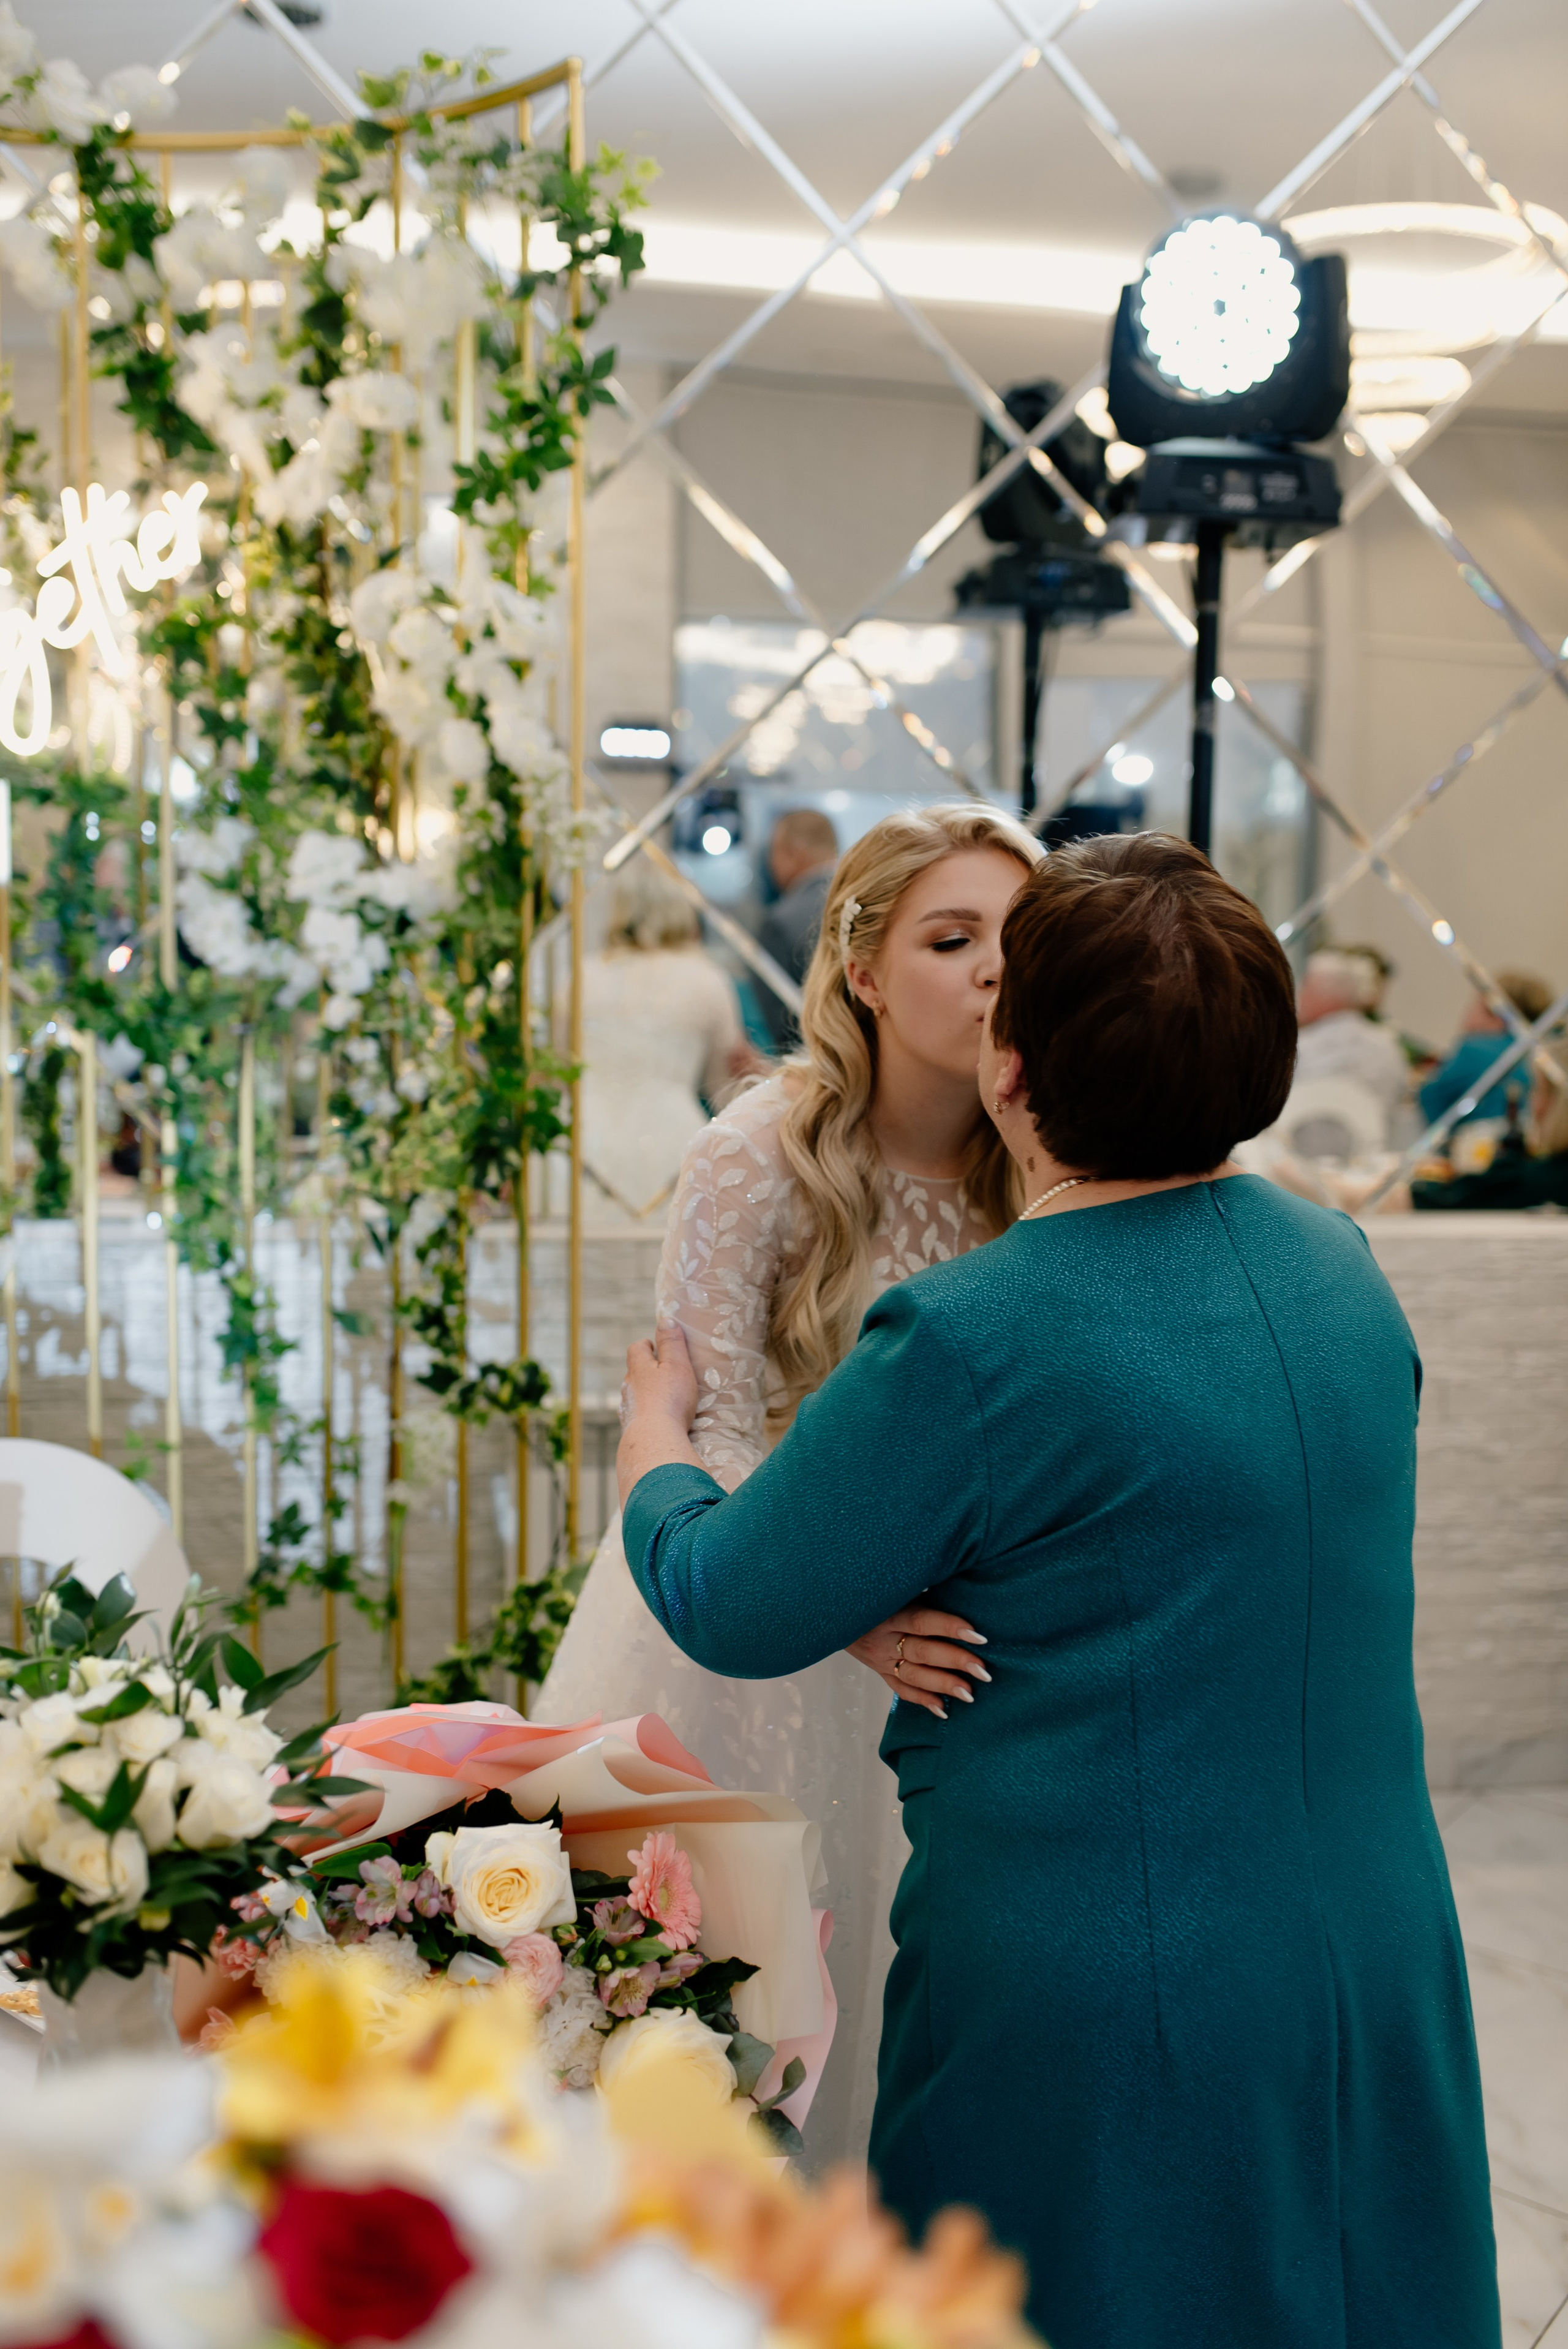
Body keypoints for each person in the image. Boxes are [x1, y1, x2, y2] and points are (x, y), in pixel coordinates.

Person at [614, 832, 1500, 2349]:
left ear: (1010, 1076)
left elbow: (728, 1595)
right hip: (1367, 1928)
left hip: (1100, 1981)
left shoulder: (970, 1336)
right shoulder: (1338, 1265)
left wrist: (654, 1440)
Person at [534, 801, 1042, 2165]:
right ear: (863, 968)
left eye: (1017, 935)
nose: (996, 968)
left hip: (953, 1661)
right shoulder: (751, 1153)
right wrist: (842, 1601)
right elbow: (709, 1423)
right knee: (730, 2015)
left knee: (911, 2014)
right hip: (747, 1629)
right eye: (952, 937)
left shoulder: (1040, 1164)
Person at [577, 862, 752, 1226]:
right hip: (671, 1148)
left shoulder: (581, 978)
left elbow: (558, 1070)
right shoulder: (707, 980)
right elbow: (726, 1092)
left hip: (582, 1147)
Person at [1287, 945, 1409, 1147]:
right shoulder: (1388, 1047)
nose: (1299, 996)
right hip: (1371, 1164)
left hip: (1294, 1166)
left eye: (1306, 987)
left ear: (1324, 995)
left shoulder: (1300, 1049)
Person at [1419, 968, 1554, 1134]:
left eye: (1474, 1007)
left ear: (1498, 1018)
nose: (1467, 1015)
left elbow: (1429, 1100)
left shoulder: (1473, 1050)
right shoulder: (1547, 1054)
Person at [755, 805, 841, 1049]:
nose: (771, 863)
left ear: (795, 853)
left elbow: (784, 1030)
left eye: (773, 852)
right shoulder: (874, 903)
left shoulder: (780, 922)